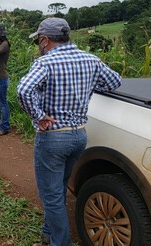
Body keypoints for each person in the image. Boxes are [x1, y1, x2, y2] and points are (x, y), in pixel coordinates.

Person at [17, 18, 122, 246]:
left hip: (53, 137)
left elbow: (24, 89)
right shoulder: (90, 60)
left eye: (38, 40)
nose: (39, 44)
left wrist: (38, 116)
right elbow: (115, 82)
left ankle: (59, 242)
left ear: (45, 40)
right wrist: (88, 86)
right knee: (60, 187)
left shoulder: (46, 62)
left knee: (51, 196)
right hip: (79, 136)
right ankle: (49, 233)